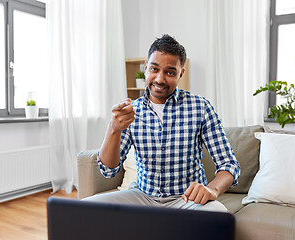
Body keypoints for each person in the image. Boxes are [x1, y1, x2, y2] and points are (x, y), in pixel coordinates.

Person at [83, 34, 240, 212]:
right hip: (142, 196)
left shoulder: (200, 107)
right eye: (154, 69)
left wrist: (212, 189)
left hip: (187, 200)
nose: (159, 79)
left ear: (181, 73)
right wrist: (113, 130)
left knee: (219, 214)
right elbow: (108, 171)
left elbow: (229, 164)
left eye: (170, 72)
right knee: (85, 209)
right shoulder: (130, 112)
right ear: (146, 68)